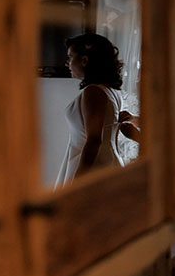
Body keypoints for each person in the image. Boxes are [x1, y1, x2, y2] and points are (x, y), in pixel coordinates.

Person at [54, 33, 126, 188]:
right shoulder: (109, 90)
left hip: (94, 168)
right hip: (105, 163)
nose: (68, 63)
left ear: (84, 60)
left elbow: (93, 140)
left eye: (70, 57)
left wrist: (79, 181)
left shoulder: (93, 91)